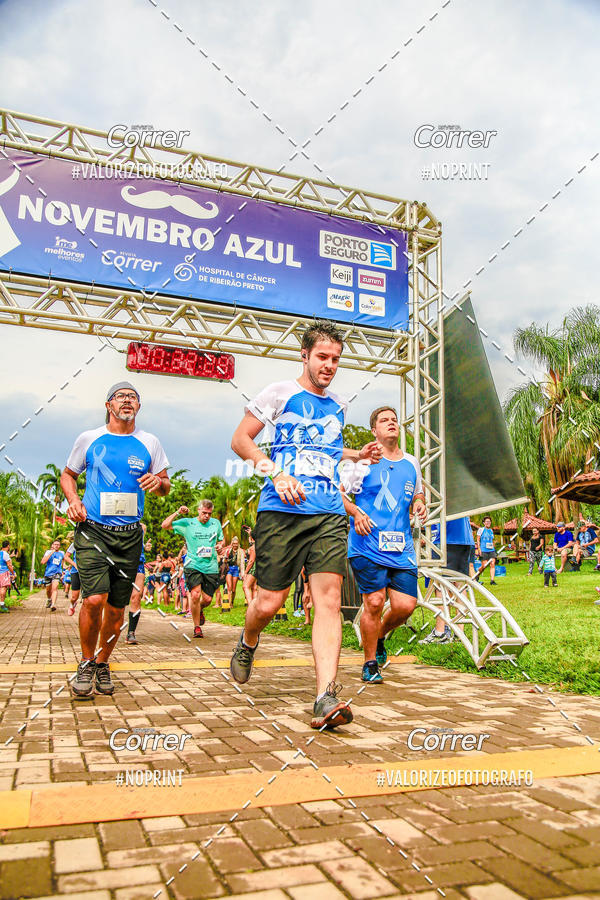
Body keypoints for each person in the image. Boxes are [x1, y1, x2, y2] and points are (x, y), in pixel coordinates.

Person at [228, 320, 382, 729]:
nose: (329, 365)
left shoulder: (339, 405)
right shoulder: (279, 393)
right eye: (322, 357)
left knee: (328, 600)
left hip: (328, 511)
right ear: (305, 355)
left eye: (336, 359)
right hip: (281, 511)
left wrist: (356, 453)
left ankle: (325, 696)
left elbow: (324, 449)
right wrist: (276, 473)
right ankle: (248, 639)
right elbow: (241, 440)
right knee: (269, 602)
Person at [61, 381, 170, 698]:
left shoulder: (150, 442)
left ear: (139, 407)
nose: (127, 400)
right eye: (120, 396)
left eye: (133, 397)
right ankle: (86, 662)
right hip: (93, 530)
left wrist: (158, 482)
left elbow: (165, 485)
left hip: (129, 535)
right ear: (108, 405)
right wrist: (73, 500)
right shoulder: (89, 439)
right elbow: (68, 475)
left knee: (115, 609)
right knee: (94, 599)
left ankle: (102, 663)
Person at [342, 406, 427, 684]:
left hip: (401, 548)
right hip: (367, 544)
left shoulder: (412, 463)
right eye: (384, 420)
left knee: (405, 606)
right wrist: (356, 513)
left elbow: (418, 493)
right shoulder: (362, 462)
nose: (391, 423)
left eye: (394, 420)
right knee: (375, 601)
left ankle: (378, 635)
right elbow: (337, 494)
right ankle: (369, 664)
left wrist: (419, 503)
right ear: (374, 431)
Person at [161, 501, 224, 638]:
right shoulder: (188, 523)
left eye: (209, 514)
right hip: (192, 564)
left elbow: (221, 540)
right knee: (195, 594)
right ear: (198, 510)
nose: (207, 516)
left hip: (211, 566)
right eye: (204, 513)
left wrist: (220, 546)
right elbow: (165, 525)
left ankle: (199, 609)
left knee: (207, 599)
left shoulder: (216, 523)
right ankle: (196, 627)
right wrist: (178, 512)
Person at [420, 515, 475, 644]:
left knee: (440, 584)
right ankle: (459, 632)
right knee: (459, 584)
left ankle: (441, 631)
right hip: (463, 537)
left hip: (446, 536)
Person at [126, 526, 150, 645]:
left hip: (138, 563)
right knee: (113, 599)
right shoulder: (114, 521)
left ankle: (131, 632)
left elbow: (139, 543)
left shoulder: (142, 527)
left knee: (136, 596)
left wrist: (145, 547)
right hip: (119, 562)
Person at [41, 540, 65, 611]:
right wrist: (52, 552)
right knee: (48, 590)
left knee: (55, 588)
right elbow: (43, 562)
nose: (56, 546)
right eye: (55, 544)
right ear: (52, 545)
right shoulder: (48, 552)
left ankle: (53, 604)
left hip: (57, 573)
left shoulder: (62, 553)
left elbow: (63, 564)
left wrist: (64, 571)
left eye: (58, 544)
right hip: (48, 573)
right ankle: (49, 599)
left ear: (59, 546)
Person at [476, 516, 497, 585]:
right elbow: (478, 540)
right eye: (487, 521)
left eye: (489, 521)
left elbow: (492, 540)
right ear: (484, 523)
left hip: (491, 550)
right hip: (483, 550)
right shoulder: (481, 530)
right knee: (484, 566)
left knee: (492, 564)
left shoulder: (491, 531)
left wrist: (494, 547)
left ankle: (492, 580)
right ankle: (477, 575)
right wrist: (479, 549)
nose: (488, 523)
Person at [224, 536, 244, 606]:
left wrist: (242, 572)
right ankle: (229, 604)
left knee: (233, 589)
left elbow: (242, 563)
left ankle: (232, 601)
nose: (235, 545)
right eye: (234, 543)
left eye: (236, 543)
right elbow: (224, 560)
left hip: (236, 569)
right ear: (232, 544)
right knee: (229, 587)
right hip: (229, 569)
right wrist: (225, 559)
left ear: (238, 544)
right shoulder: (228, 551)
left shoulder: (241, 551)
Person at [63, 540, 80, 617]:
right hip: (76, 571)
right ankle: (72, 604)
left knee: (90, 598)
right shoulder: (75, 543)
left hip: (89, 572)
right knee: (74, 597)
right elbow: (66, 557)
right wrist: (74, 564)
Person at [241, 526, 257, 606]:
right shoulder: (258, 545)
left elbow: (251, 561)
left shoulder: (253, 547)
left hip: (253, 568)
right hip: (258, 567)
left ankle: (251, 607)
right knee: (254, 588)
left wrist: (245, 572)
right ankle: (255, 607)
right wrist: (250, 533)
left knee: (245, 586)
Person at [0, 540, 15, 613]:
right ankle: (2, 605)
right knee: (3, 588)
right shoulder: (5, 554)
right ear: (8, 546)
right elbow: (9, 565)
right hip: (3, 573)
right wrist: (13, 573)